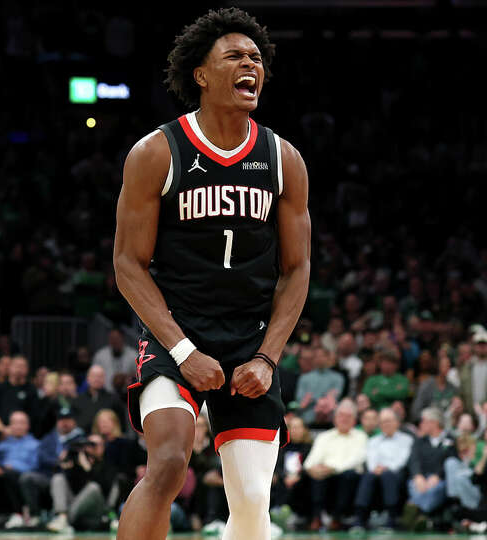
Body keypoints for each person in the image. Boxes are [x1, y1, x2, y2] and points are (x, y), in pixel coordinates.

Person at [113, 8, 310, 540]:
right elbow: (128, 265)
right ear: (201, 74)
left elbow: (297, 269)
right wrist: (183, 351)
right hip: (176, 332)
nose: (251, 65)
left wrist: (268, 357)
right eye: (235, 57)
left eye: (256, 58)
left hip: (249, 339)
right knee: (170, 463)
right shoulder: (156, 152)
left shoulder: (282, 158)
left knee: (250, 506)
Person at [302, 399, 367, 530]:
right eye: (341, 415)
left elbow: (356, 460)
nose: (344, 419)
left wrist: (332, 468)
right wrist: (312, 469)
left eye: (348, 416)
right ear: (335, 418)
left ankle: (337, 518)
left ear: (354, 420)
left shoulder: (361, 436)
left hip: (347, 476)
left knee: (348, 475)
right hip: (324, 476)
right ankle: (316, 517)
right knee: (314, 475)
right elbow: (310, 461)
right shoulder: (324, 437)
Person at [19, 407, 84, 526]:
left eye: (68, 419)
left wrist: (68, 461)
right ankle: (35, 516)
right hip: (49, 476)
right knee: (27, 477)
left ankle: (61, 517)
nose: (64, 422)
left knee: (59, 479)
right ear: (57, 421)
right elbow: (42, 458)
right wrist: (59, 462)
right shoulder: (49, 438)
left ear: (74, 421)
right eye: (61, 419)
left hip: (70, 480)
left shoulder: (81, 439)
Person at [0, 411, 40, 530]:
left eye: (22, 423)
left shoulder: (35, 444)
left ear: (28, 426)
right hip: (3, 471)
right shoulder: (3, 443)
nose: (18, 426)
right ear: (10, 426)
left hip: (21, 474)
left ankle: (18, 515)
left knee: (10, 475)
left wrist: (14, 467)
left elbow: (35, 466)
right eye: (15, 423)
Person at [351, 408, 413, 532]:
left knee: (388, 476)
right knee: (368, 476)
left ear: (397, 422)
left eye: (389, 421)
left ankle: (391, 518)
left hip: (397, 473)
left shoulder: (407, 439)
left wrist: (386, 468)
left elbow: (402, 460)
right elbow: (371, 461)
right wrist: (376, 469)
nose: (386, 424)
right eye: (383, 422)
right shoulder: (374, 441)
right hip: (376, 472)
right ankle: (359, 518)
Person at [46, 434, 119, 533]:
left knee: (93, 487)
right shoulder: (77, 461)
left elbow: (104, 489)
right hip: (76, 503)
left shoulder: (107, 465)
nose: (91, 448)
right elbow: (60, 478)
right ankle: (61, 516)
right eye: (89, 444)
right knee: (58, 478)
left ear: (103, 447)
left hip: (97, 508)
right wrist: (62, 462)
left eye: (95, 445)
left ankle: (65, 520)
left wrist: (88, 468)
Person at [403, 407, 455, 530]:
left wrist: (438, 476)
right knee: (414, 487)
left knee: (435, 489)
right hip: (420, 478)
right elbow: (413, 460)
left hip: (440, 479)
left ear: (434, 422)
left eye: (423, 421)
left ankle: (415, 508)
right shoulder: (419, 441)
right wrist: (417, 476)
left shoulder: (449, 440)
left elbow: (451, 461)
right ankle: (423, 516)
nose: (420, 424)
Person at [72, 365, 123, 432]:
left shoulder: (113, 399)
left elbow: (121, 423)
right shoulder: (77, 400)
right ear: (87, 378)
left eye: (100, 376)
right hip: (83, 439)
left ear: (104, 379)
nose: (97, 379)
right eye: (94, 376)